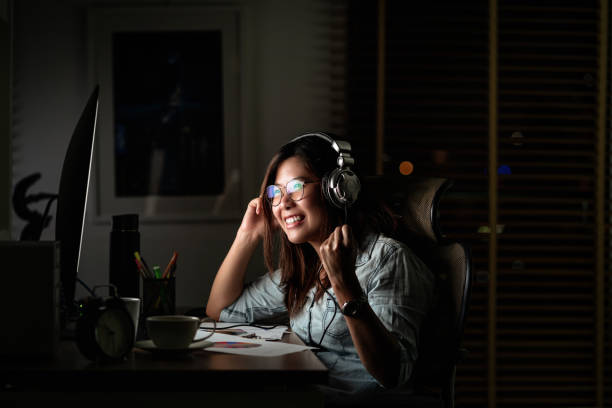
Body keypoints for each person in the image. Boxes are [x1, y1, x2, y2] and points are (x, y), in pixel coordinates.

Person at [206, 133, 434, 402]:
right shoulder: (307, 268)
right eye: (275, 193)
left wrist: (344, 283)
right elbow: (220, 311)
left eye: (296, 188)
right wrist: (248, 235)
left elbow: (392, 373)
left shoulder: (388, 260)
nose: (284, 203)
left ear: (338, 190)